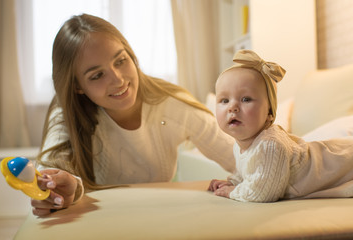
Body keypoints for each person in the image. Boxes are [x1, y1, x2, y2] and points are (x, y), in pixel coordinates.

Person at [31, 14, 236, 216]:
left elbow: (240, 157)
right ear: (77, 86)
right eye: (97, 75)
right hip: (102, 223)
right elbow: (51, 169)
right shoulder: (66, 113)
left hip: (162, 217)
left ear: (131, 54)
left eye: (120, 61)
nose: (118, 80)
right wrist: (56, 188)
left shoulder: (172, 104)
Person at [208, 49, 353, 203]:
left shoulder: (270, 144)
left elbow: (262, 193)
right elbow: (249, 168)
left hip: (340, 164)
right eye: (224, 101)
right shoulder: (240, 144)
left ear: (270, 112)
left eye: (245, 99)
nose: (233, 107)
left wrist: (233, 191)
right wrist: (235, 181)